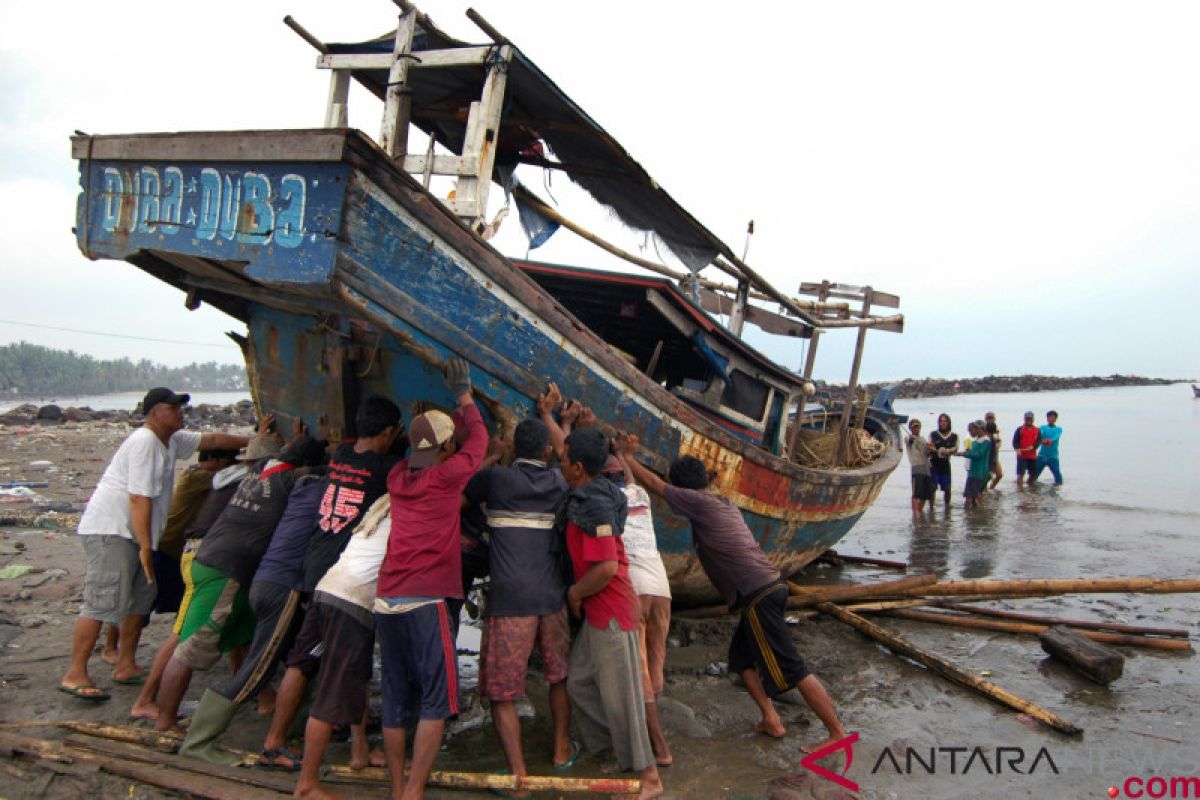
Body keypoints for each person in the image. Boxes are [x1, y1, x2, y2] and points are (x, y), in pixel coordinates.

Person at [614, 434, 847, 757]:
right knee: (741, 661)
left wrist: (625, 457)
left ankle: (836, 732)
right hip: (765, 588)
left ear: (685, 487)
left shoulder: (699, 502)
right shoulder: (720, 502)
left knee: (791, 666)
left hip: (758, 594)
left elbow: (655, 485)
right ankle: (771, 718)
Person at [59, 388, 249, 702]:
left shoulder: (172, 440)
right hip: (113, 531)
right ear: (153, 413)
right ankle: (75, 672)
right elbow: (139, 498)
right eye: (173, 408)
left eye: (180, 407)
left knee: (140, 601)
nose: (179, 412)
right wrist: (147, 547)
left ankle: (126, 665)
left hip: (136, 535)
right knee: (102, 600)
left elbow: (212, 441)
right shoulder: (145, 441)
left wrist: (253, 442)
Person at [258, 395, 403, 769]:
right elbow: (416, 471)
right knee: (347, 664)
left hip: (315, 568)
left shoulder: (340, 456)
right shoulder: (387, 470)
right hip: (343, 576)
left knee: (304, 660)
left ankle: (292, 741)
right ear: (389, 432)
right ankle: (342, 748)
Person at [154, 431, 325, 732]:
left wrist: (297, 439)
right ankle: (166, 720)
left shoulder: (258, 471)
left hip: (207, 557)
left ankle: (265, 697)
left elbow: (285, 459)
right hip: (225, 568)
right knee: (191, 646)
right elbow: (319, 474)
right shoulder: (291, 482)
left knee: (244, 632)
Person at [375, 357, 486, 800]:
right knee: (437, 701)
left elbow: (442, 447)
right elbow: (477, 443)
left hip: (387, 598)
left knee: (397, 698)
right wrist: (465, 395)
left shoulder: (398, 476)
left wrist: (436, 425)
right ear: (444, 450)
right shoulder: (447, 478)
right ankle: (414, 792)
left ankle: (399, 785)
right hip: (425, 601)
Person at [463, 417, 576, 786]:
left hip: (510, 601)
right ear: (546, 452)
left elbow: (457, 494)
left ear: (513, 447)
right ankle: (561, 750)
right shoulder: (561, 481)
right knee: (558, 677)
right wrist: (564, 423)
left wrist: (491, 456)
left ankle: (518, 774)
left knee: (502, 691)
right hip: (553, 598)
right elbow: (567, 454)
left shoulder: (494, 479)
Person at [559, 427, 663, 800]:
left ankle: (649, 777)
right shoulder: (592, 494)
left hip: (612, 610)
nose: (560, 461)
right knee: (580, 684)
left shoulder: (594, 506)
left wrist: (574, 593)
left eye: (564, 457)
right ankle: (614, 752)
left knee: (624, 700)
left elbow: (603, 568)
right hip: (599, 610)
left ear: (578, 467)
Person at [289, 494, 393, 798]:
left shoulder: (382, 505)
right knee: (332, 692)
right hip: (351, 601)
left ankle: (359, 750)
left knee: (354, 677)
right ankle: (307, 784)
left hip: (328, 588)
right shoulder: (408, 510)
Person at [606, 451, 674, 768]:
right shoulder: (640, 495)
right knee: (656, 664)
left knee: (640, 669)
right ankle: (654, 718)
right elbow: (631, 478)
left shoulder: (605, 500)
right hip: (661, 588)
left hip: (634, 587)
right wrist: (623, 453)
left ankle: (659, 746)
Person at [904, 419, 935, 514]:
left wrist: (931, 449)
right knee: (916, 493)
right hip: (916, 468)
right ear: (910, 428)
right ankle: (915, 514)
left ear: (920, 427)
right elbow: (909, 440)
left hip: (926, 468)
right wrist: (912, 438)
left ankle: (920, 512)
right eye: (914, 427)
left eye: (917, 426)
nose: (916, 429)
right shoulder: (907, 437)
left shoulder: (923, 439)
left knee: (925, 494)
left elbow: (928, 454)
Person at [959, 421, 992, 509]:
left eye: (977, 428)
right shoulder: (975, 440)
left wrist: (963, 454)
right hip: (972, 471)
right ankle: (976, 516)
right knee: (974, 497)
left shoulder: (986, 441)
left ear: (982, 429)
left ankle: (968, 516)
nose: (974, 430)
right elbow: (971, 452)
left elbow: (978, 454)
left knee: (969, 497)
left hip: (978, 473)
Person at [928, 414, 958, 508]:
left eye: (945, 421)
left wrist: (948, 451)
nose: (943, 423)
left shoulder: (954, 436)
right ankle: (931, 508)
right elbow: (930, 446)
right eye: (941, 421)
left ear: (948, 423)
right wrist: (934, 449)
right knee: (932, 488)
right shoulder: (933, 434)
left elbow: (955, 448)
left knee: (947, 488)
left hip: (945, 465)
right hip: (934, 464)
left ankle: (947, 509)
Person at [1033, 410, 1063, 485]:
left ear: (1056, 419)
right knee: (1033, 476)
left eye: (1052, 417)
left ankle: (1058, 488)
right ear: (1047, 418)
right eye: (1049, 417)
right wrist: (1041, 440)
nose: (1050, 419)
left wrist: (1049, 441)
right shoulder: (1042, 427)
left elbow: (1056, 437)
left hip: (1053, 456)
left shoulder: (1058, 429)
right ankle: (1030, 488)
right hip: (1041, 456)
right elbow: (1040, 434)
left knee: (1058, 476)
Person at [1011, 411, 1041, 485]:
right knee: (1020, 474)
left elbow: (1038, 441)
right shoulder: (1019, 429)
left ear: (1033, 419)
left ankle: (1030, 487)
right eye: (1027, 418)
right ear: (1024, 419)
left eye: (1030, 418)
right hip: (1022, 456)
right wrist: (1017, 449)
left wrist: (1033, 447)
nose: (1029, 420)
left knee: (1033, 475)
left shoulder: (1037, 430)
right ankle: (1020, 490)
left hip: (1032, 456)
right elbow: (1015, 441)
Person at [984, 411, 1003, 490]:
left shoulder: (995, 429)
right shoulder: (984, 428)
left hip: (995, 456)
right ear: (985, 419)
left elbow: (998, 441)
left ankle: (991, 488)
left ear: (994, 419)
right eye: (988, 418)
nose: (990, 420)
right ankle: (984, 492)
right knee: (986, 477)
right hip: (986, 457)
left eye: (991, 418)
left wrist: (998, 445)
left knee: (999, 475)